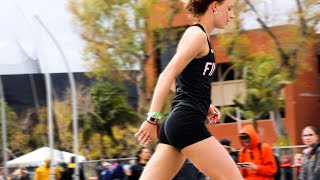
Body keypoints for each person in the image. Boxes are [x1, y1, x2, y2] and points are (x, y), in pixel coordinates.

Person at [135, 0, 242, 179]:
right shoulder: (197, 36)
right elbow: (166, 76)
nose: (232, 15)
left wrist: (204, 102)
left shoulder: (197, 35)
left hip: (177, 124)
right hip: (186, 122)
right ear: (215, 6)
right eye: (229, 9)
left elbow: (177, 82)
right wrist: (152, 119)